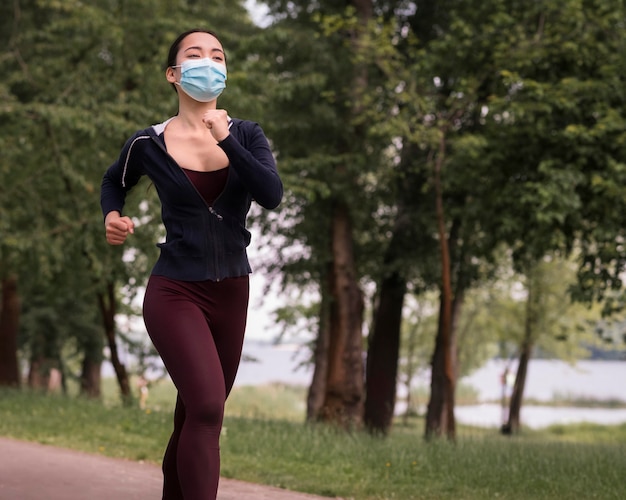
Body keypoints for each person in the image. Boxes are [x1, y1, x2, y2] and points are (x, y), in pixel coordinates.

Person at [100, 29, 283, 500]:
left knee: (193, 417)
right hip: (175, 290)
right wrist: (113, 216)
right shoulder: (149, 143)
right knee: (206, 409)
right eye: (195, 55)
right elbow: (112, 181)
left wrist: (225, 138)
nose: (209, 62)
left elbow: (271, 195)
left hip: (232, 292)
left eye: (217, 55)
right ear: (174, 74)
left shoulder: (246, 134)